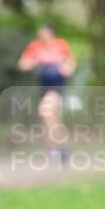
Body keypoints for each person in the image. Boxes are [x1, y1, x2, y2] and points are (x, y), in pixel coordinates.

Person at [17, 25, 76, 164]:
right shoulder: (35, 47)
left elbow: (71, 63)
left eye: (44, 34)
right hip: (43, 86)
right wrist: (31, 63)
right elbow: (22, 64)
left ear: (51, 34)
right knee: (52, 118)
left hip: (57, 86)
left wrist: (66, 69)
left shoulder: (61, 45)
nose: (42, 37)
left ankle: (55, 149)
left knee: (45, 112)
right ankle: (62, 148)